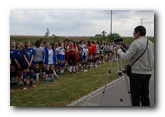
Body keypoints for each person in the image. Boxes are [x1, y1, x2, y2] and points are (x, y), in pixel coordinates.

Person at [115, 26, 154, 106]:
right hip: (148, 73)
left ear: (138, 33)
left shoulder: (136, 43)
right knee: (145, 96)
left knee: (135, 96)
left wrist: (119, 50)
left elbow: (126, 57)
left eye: (134, 33)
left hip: (137, 73)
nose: (133, 34)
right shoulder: (151, 43)